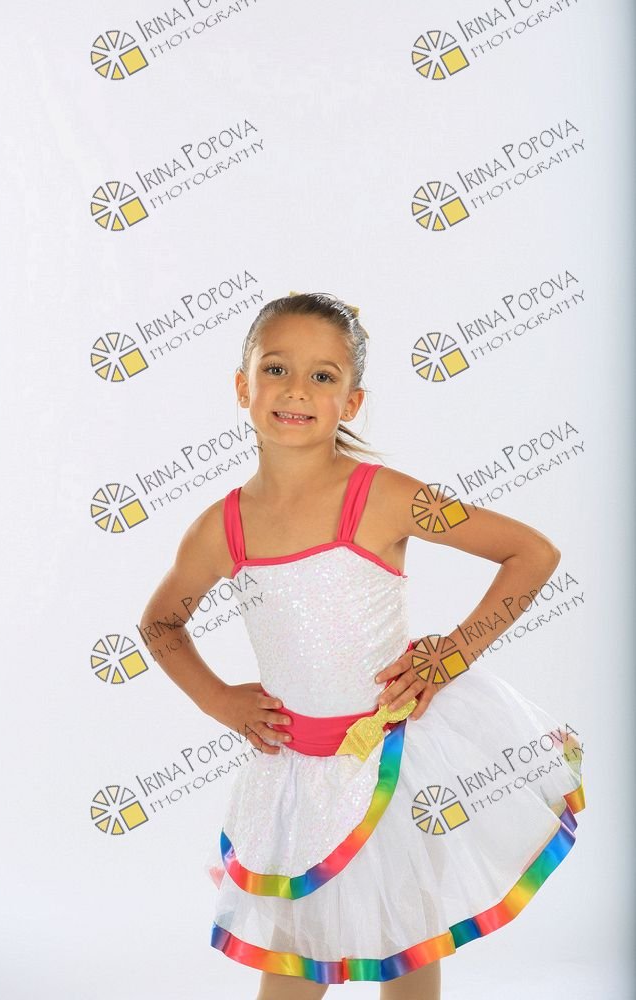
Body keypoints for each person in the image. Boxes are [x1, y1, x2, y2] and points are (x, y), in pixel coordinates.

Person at [139, 291, 585, 1000]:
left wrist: (454, 652)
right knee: (293, 958)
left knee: (406, 939)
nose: (296, 389)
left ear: (350, 402)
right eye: (276, 368)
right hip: (297, 775)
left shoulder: (384, 496)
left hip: (396, 760)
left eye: (323, 376)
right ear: (242, 387)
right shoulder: (220, 528)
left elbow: (531, 552)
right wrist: (219, 700)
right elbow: (161, 624)